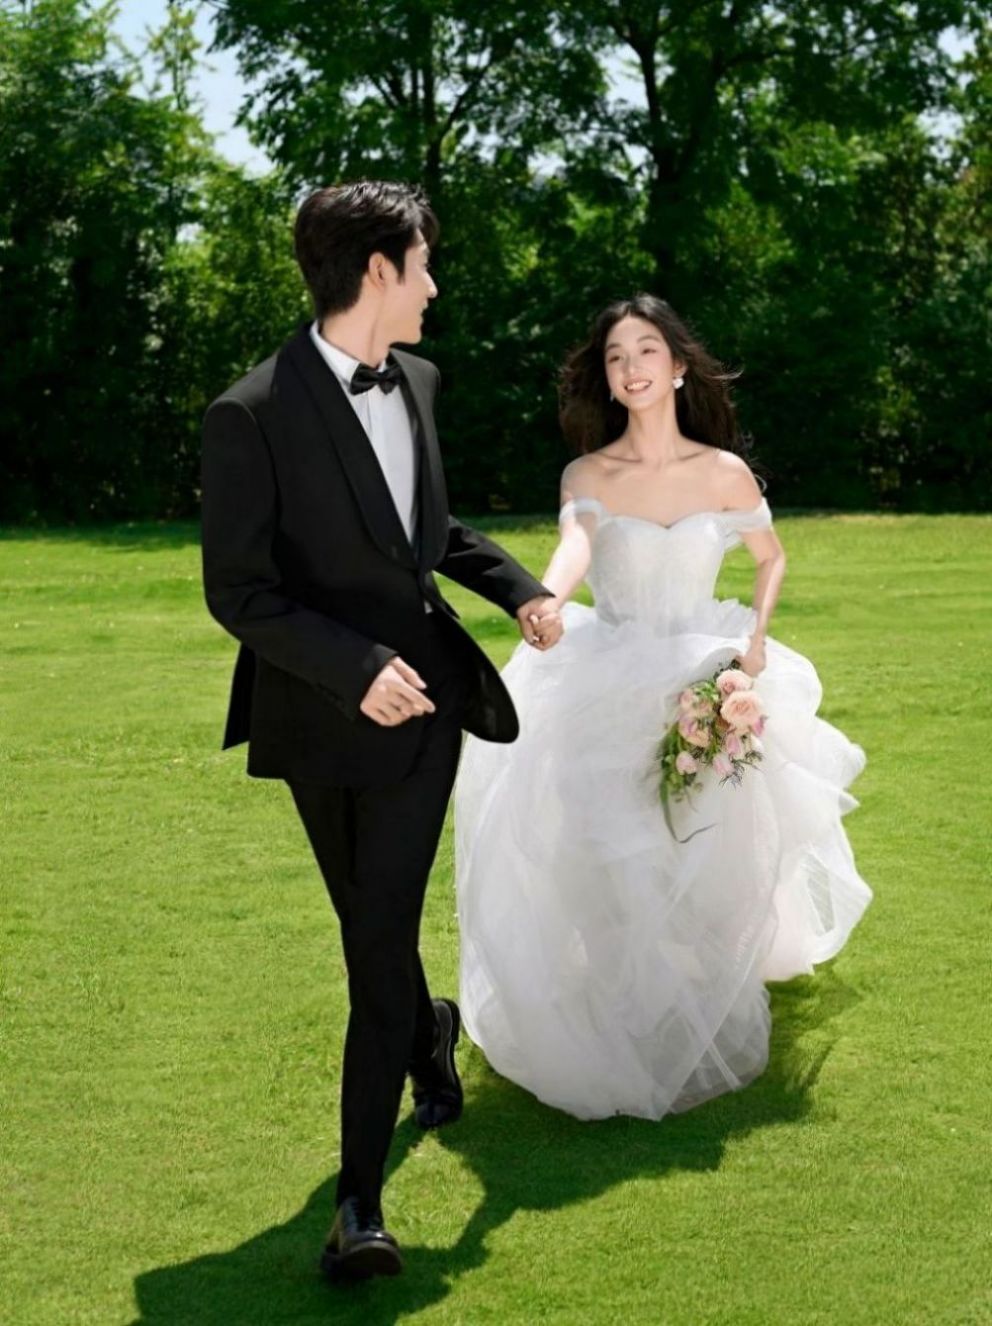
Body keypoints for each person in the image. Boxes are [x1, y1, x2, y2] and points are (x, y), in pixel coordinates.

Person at [200, 180, 561, 1283]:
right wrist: (356, 669)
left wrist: (521, 590)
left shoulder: (421, 380)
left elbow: (426, 529)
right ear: (376, 271)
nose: (433, 285)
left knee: (373, 938)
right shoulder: (248, 412)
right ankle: (427, 1032)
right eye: (424, 263)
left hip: (426, 716)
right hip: (312, 714)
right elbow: (239, 593)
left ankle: (357, 1206)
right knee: (371, 926)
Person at [454, 293, 872, 1121]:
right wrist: (544, 601)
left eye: (646, 351)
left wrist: (756, 642)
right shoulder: (589, 474)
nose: (631, 368)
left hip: (703, 668)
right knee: (607, 846)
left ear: (678, 367)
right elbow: (575, 544)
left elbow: (770, 557)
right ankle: (625, 1003)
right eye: (615, 357)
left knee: (712, 845)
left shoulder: (723, 473)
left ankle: (710, 982)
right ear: (607, 379)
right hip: (607, 672)